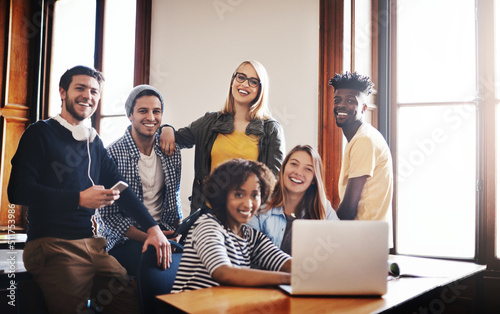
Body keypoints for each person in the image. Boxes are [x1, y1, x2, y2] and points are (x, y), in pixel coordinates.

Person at [8, 66, 171, 313]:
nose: (88, 96)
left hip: (93, 245)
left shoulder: (93, 142)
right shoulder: (39, 133)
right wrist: (79, 199)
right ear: (63, 92)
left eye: (94, 91)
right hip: (51, 245)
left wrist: (153, 229)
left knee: (130, 305)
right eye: (80, 88)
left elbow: (123, 190)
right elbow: (18, 190)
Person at [159, 60, 286, 212]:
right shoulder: (210, 122)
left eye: (253, 81)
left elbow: (273, 183)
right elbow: (176, 140)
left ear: (261, 89)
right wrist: (166, 128)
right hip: (207, 216)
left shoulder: (271, 129)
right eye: (241, 77)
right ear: (233, 80)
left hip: (247, 217)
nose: (245, 84)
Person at [95, 84, 182, 277]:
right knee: (156, 267)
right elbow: (107, 217)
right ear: (130, 115)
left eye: (156, 111)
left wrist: (178, 231)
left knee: (198, 262)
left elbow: (174, 200)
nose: (151, 118)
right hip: (123, 240)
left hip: (165, 233)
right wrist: (151, 236)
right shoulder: (112, 154)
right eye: (143, 111)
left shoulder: (171, 151)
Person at [171, 159, 291, 292]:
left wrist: (306, 271)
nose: (248, 204)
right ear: (222, 196)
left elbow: (283, 261)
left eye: (255, 195)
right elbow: (223, 273)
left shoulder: (252, 236)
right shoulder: (207, 225)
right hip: (190, 307)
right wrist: (290, 278)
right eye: (239, 194)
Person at [247, 145, 338, 254]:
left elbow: (339, 246)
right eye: (294, 164)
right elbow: (252, 252)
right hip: (262, 271)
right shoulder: (259, 203)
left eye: (308, 169)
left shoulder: (323, 208)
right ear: (283, 167)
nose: (298, 172)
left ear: (314, 179)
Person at [328, 71, 393, 224]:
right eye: (337, 100)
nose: (341, 105)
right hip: (366, 234)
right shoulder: (360, 137)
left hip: (364, 237)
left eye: (350, 101)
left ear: (364, 108)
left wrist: (327, 227)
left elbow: (349, 210)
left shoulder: (364, 140)